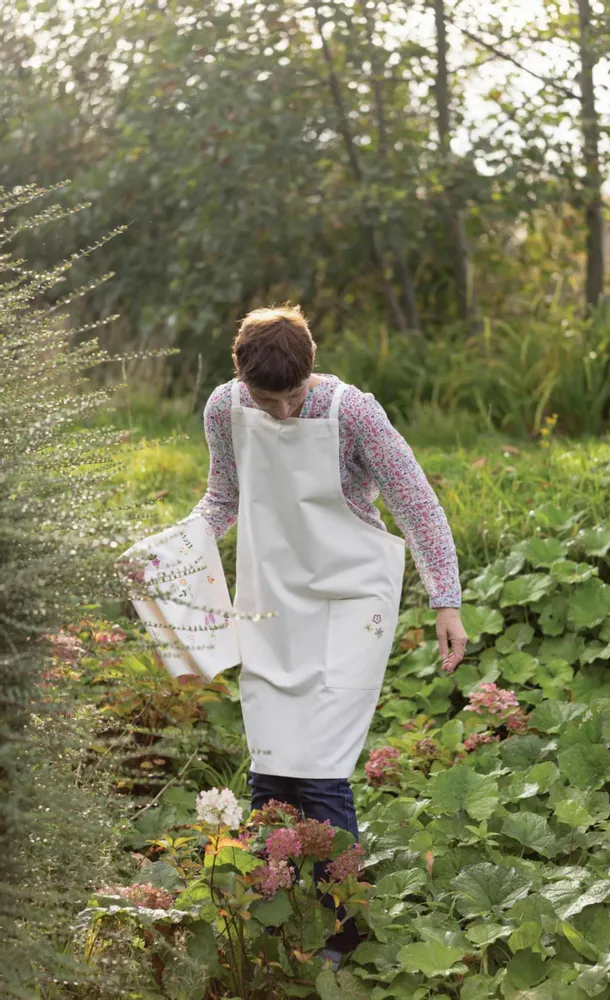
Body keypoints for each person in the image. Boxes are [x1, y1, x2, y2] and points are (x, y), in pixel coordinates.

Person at [187, 304, 466, 956]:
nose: (280, 412)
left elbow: (413, 500)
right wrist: (172, 553)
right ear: (241, 379)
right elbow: (222, 499)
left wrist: (444, 601)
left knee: (319, 769)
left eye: (290, 398)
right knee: (271, 763)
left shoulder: (352, 412)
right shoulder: (225, 409)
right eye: (267, 399)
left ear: (308, 373)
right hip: (272, 598)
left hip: (350, 599)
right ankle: (273, 920)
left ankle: (338, 935)